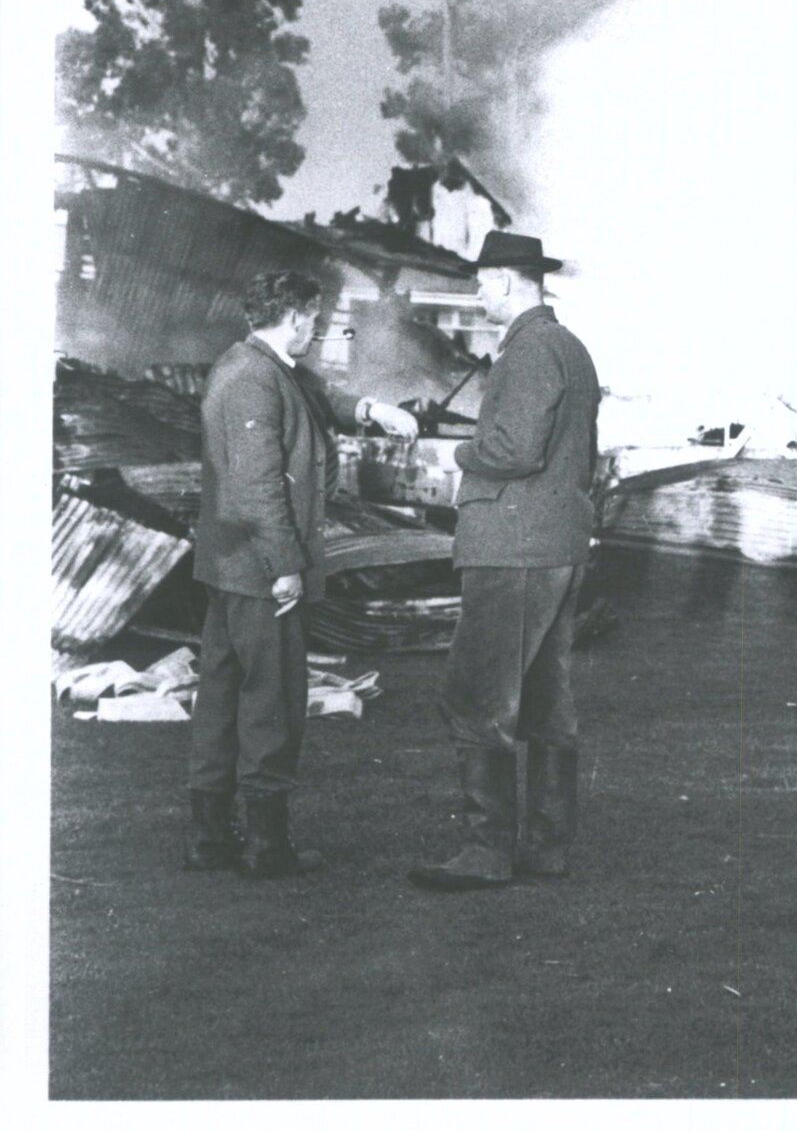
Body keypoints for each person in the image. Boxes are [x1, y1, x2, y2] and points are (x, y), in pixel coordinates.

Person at [187, 270, 418, 876]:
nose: (316, 331)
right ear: (293, 317)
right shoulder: (256, 379)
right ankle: (267, 847)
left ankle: (209, 839)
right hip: (260, 573)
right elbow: (258, 486)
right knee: (273, 701)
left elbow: (315, 393)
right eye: (313, 320)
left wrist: (371, 409)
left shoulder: (254, 365)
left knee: (220, 697)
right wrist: (285, 567)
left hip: (231, 568)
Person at [409, 232, 601, 893]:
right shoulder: (569, 348)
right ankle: (547, 846)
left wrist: (456, 452)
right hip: (555, 542)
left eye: (483, 282)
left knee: (477, 695)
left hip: (512, 546)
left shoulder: (528, 350)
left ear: (508, 281)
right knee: (546, 701)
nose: (478, 293)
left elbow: (514, 450)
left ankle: (485, 850)